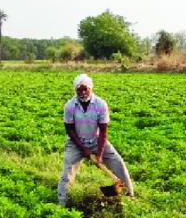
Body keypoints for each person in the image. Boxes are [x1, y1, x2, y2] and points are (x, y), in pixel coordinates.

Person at [57, 74, 134, 206]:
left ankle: (130, 196)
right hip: (75, 143)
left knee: (119, 163)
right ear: (75, 90)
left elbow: (103, 131)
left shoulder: (100, 104)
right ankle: (62, 203)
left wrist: (99, 154)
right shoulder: (69, 106)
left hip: (96, 140)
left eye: (85, 89)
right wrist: (84, 149)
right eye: (79, 90)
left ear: (91, 88)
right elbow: (69, 130)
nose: (82, 92)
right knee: (67, 173)